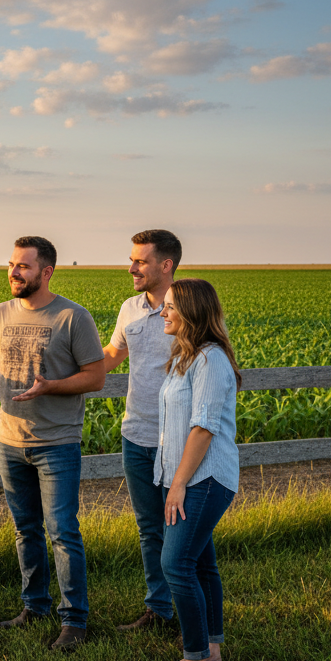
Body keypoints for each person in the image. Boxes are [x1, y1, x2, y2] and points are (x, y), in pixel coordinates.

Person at [0, 236, 105, 652]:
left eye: (23, 266)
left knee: (62, 532)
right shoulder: (0, 313)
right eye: (11, 264)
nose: (14, 272)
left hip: (57, 443)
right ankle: (34, 606)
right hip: (9, 442)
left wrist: (52, 386)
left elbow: (95, 376)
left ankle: (74, 620)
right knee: (26, 531)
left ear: (47, 271)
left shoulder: (73, 318)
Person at [155, 278, 241, 661]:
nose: (163, 312)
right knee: (203, 564)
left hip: (203, 478)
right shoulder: (185, 358)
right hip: (189, 477)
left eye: (171, 307)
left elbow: (203, 428)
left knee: (176, 564)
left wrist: (178, 484)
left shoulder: (210, 360)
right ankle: (212, 652)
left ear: (192, 312)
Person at [99, 230, 182, 632]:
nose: (132, 268)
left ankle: (193, 609)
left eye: (141, 261)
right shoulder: (129, 308)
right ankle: (160, 611)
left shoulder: (188, 308)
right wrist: (65, 374)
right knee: (150, 528)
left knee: (181, 531)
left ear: (165, 266)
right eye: (131, 259)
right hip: (136, 434)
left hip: (180, 438)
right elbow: (113, 354)